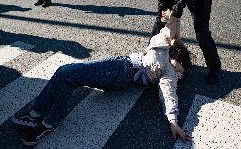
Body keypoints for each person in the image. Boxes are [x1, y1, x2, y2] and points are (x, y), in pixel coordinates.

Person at [11, 13, 193, 146]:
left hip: (121, 69)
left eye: (180, 73)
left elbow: (168, 95)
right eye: (178, 67)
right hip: (120, 72)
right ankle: (42, 119)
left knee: (65, 72)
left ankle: (40, 117)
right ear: (176, 54)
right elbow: (172, 30)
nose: (178, 73)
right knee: (70, 78)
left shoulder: (168, 69)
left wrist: (173, 122)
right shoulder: (164, 45)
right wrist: (172, 17)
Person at [152, 0, 221, 84]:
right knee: (161, 20)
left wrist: (182, 4)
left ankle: (214, 68)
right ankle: (153, 57)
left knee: (201, 32)